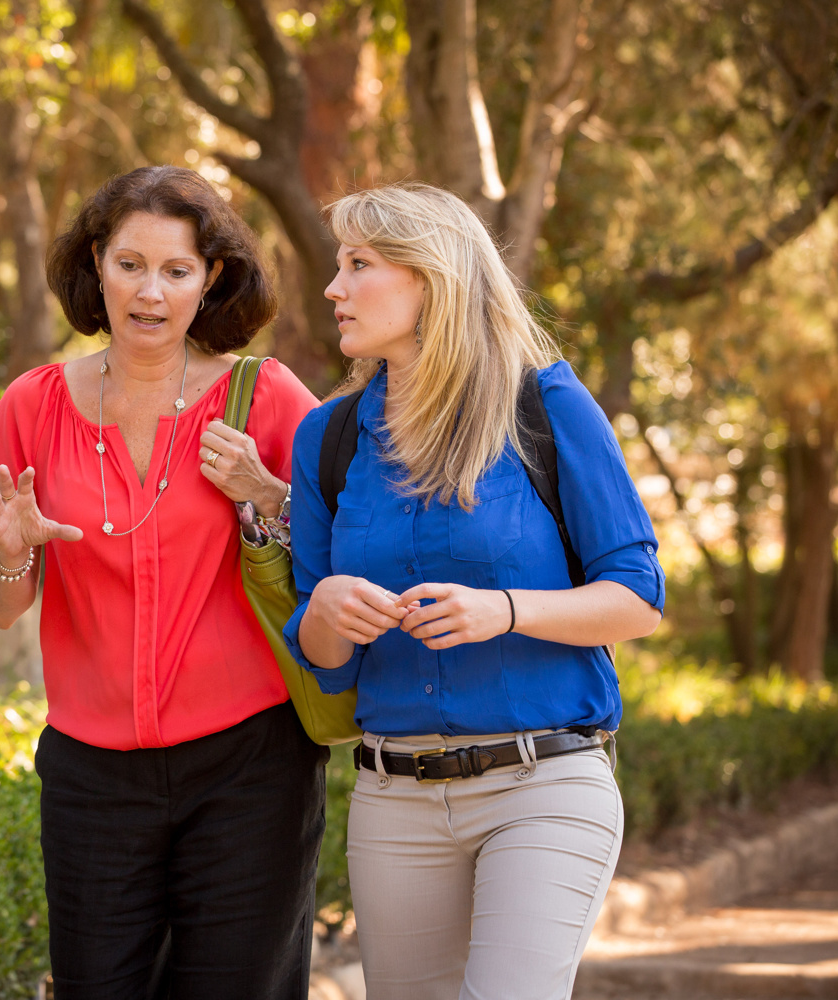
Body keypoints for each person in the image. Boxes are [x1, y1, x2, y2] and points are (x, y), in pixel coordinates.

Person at [284, 184, 664, 1000]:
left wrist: (507, 610)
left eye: (359, 265)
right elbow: (324, 664)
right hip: (394, 804)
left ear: (430, 280)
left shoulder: (545, 404)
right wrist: (323, 615)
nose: (334, 287)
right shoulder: (327, 435)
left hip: (544, 788)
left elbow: (638, 594)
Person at [0, 166, 325, 999]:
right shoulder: (33, 404)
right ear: (97, 264)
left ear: (213, 279)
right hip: (93, 776)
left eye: (176, 271)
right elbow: (1, 602)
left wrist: (267, 494)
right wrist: (10, 549)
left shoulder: (263, 396)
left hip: (250, 763)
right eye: (130, 265)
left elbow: (345, 550)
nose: (150, 293)